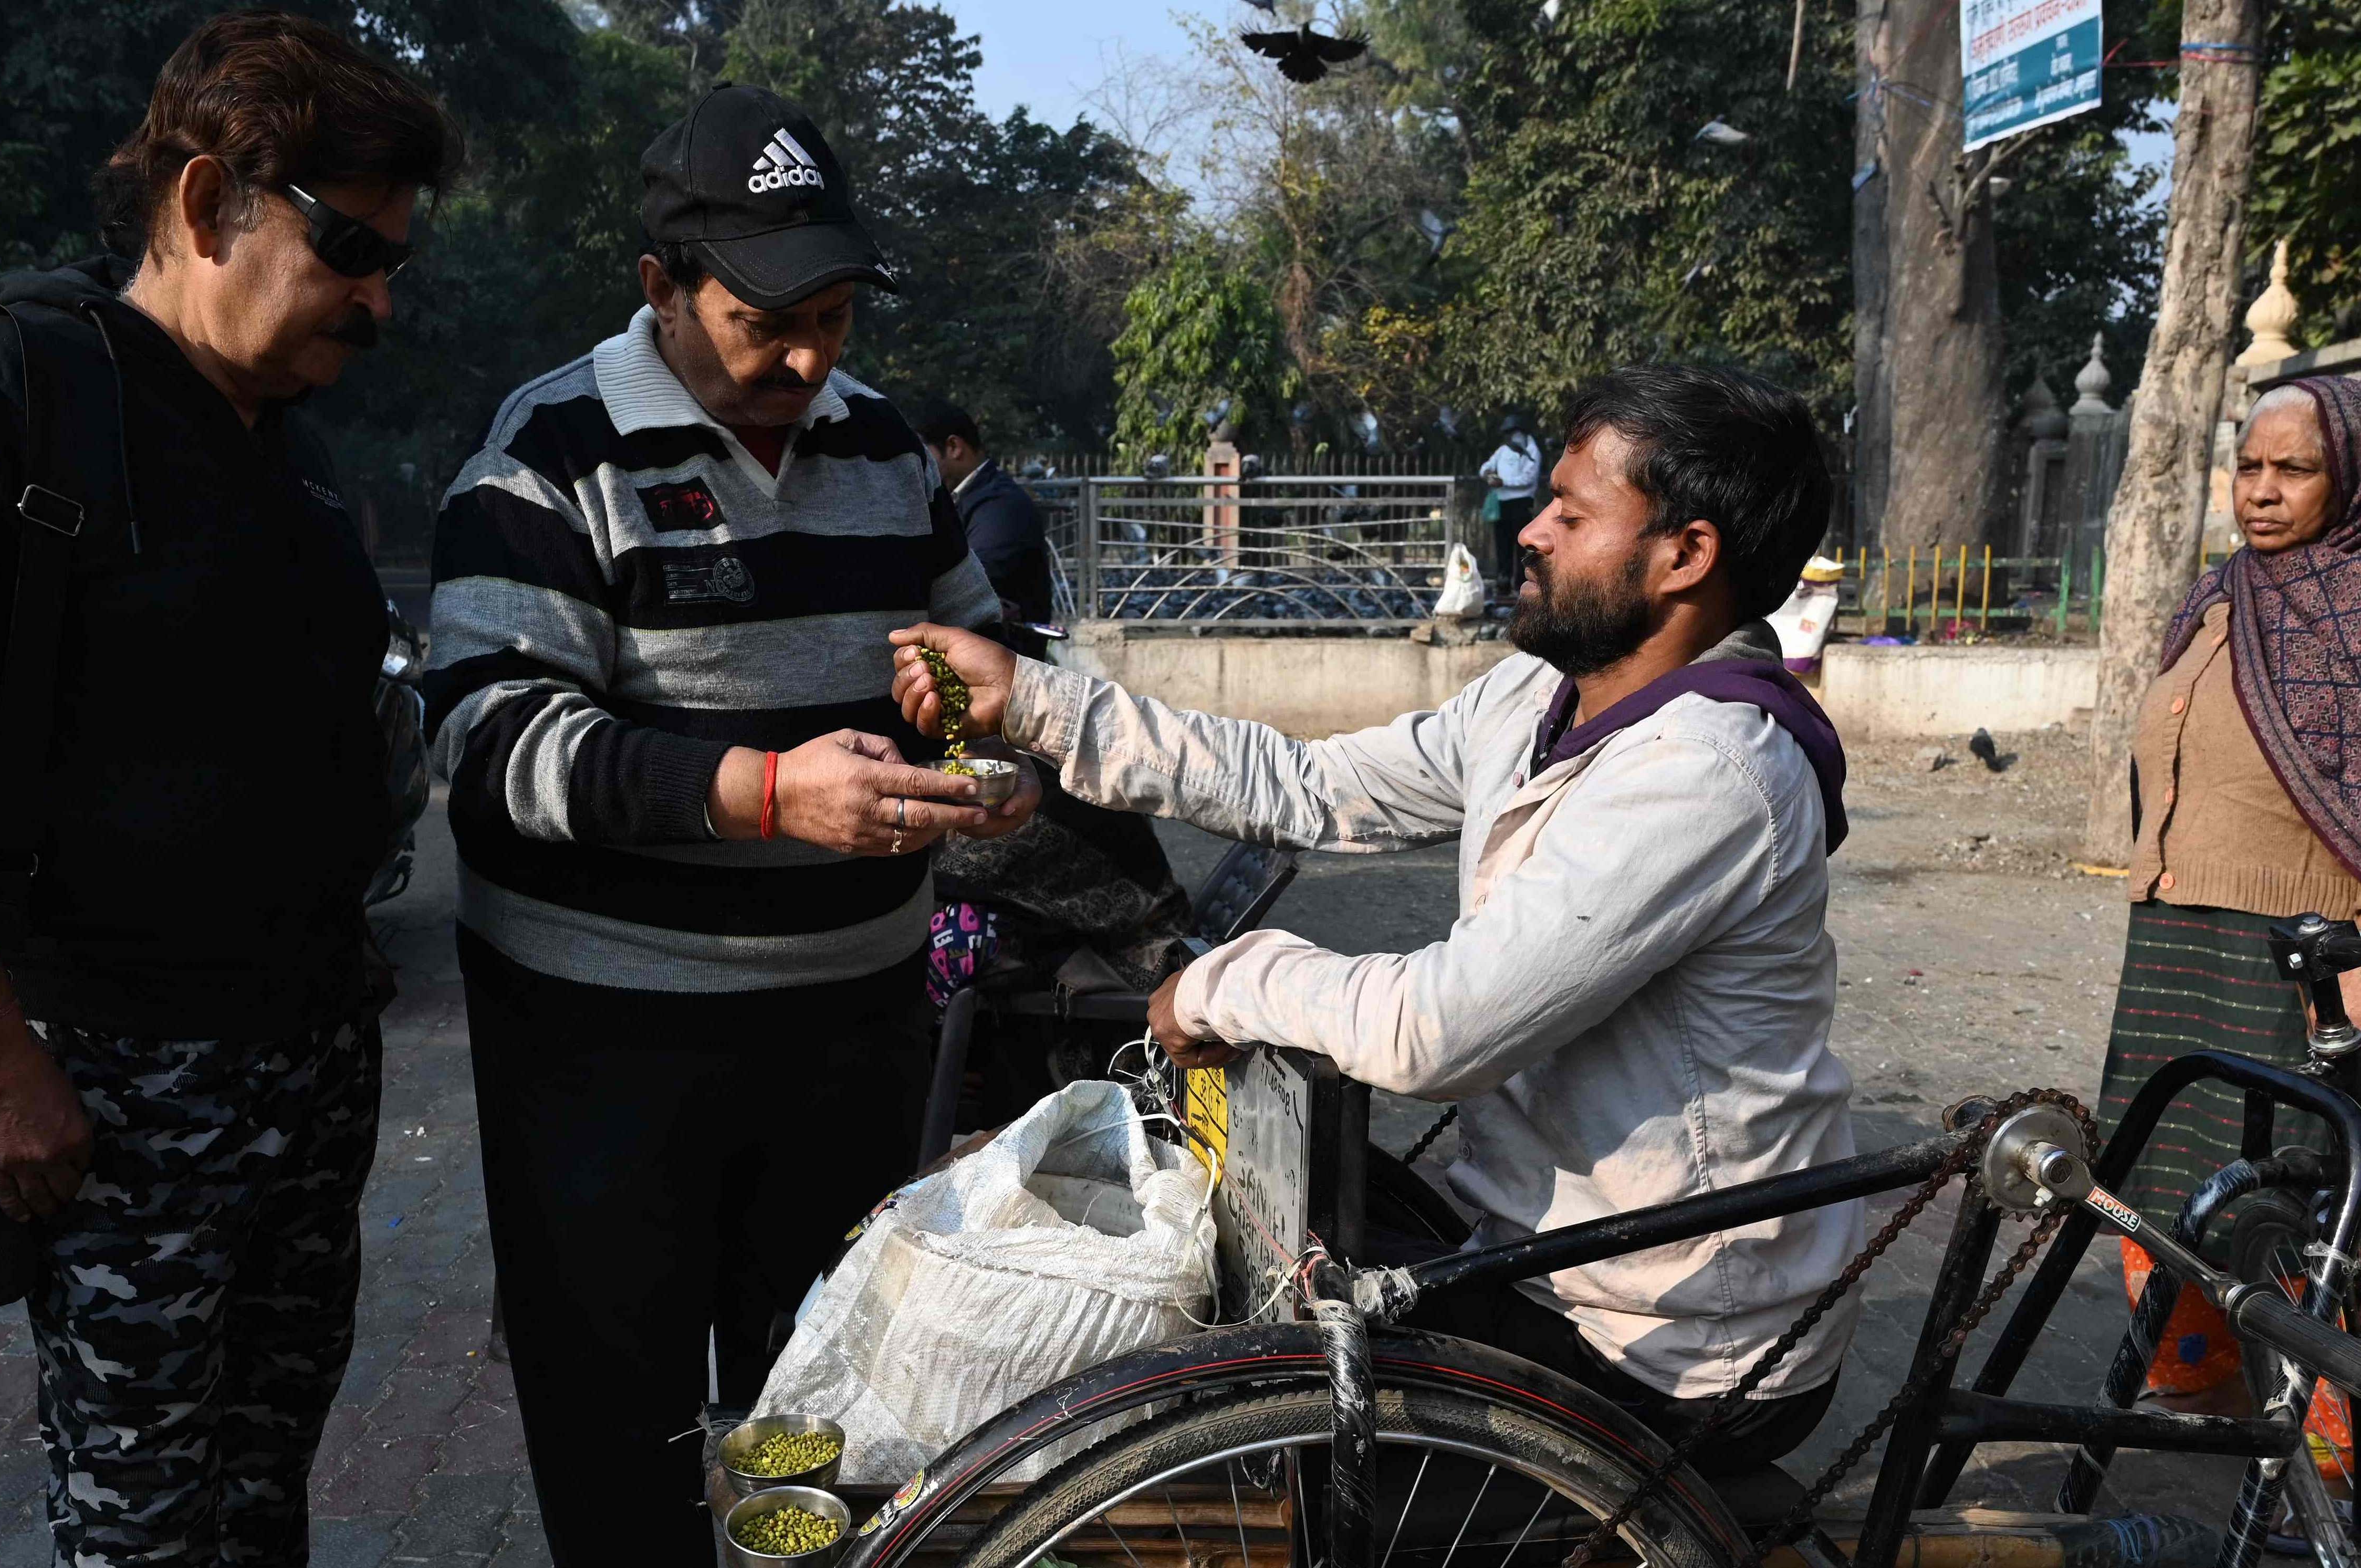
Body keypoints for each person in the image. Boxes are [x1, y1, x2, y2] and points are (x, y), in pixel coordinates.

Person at [895, 364, 1857, 1470]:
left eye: (1570, 512)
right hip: (1537, 1256)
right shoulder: (1534, 697)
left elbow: (1434, 1030)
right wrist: (1032, 698)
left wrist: (1224, 977)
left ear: (1684, 556)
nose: (1527, 531)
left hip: (1670, 1346)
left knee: (1232, 1415)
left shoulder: (1706, 768)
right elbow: (1307, 785)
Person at [0, 14, 453, 1564]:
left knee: (263, 1473)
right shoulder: (5, 384)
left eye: (392, 264)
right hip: (112, 1068)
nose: (375, 298)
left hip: (305, 1057)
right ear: (210, 201)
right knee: (139, 1501)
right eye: (352, 247)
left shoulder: (287, 452)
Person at [419, 83, 1031, 1565]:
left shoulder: (885, 447)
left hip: (850, 1028)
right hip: (604, 1042)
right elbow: (486, 739)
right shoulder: (550, 453)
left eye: (832, 312)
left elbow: (982, 654)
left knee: (817, 1406)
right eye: (769, 320)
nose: (810, 356)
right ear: (660, 290)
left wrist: (992, 751)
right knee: (617, 1419)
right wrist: (758, 792)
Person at [2095, 376, 2361, 1450]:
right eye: (2247, 466)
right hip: (2175, 923)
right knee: (2160, 1163)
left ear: (2343, 476)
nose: (2259, 490)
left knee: (2290, 1189)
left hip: (2297, 946)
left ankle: (2329, 1433)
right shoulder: (2220, 593)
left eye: (2290, 469)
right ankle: (2192, 1380)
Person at [915, 398, 1055, 629]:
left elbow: (970, 587)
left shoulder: (1002, 507)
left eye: (921, 454)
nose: (913, 466)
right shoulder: (961, 500)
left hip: (1002, 656)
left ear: (954, 447)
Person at [1480, 412, 1545, 590]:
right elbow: (1486, 467)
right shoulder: (1503, 450)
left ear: (1522, 432)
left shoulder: (1532, 452)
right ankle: (1503, 581)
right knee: (1502, 544)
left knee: (1519, 546)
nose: (1512, 437)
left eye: (1514, 432)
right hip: (1502, 503)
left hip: (1521, 503)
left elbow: (1528, 479)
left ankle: (1519, 582)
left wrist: (1504, 482)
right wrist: (1487, 475)